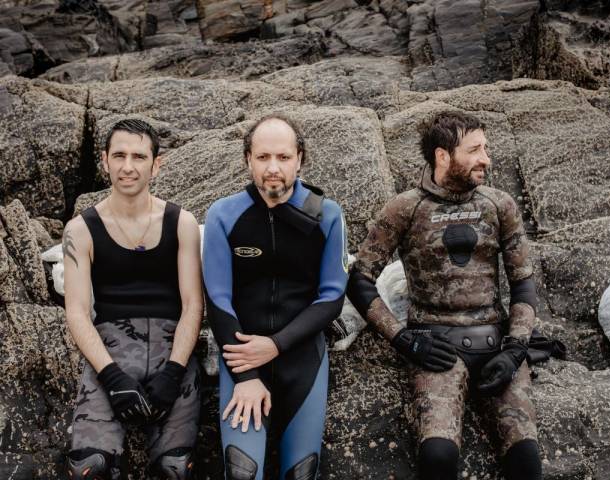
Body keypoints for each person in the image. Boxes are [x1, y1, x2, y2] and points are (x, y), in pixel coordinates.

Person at [347, 111, 542, 480]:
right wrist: (403, 340)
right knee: (437, 457)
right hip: (435, 350)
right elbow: (359, 279)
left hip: (497, 342)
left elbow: (523, 283)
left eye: (486, 147)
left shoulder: (499, 204)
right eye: (475, 150)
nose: (486, 158)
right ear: (442, 156)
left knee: (526, 459)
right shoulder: (405, 208)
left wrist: (516, 349)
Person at [202, 115, 348, 480]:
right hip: (242, 358)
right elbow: (217, 299)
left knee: (302, 473)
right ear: (247, 159)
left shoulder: (328, 216)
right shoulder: (224, 215)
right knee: (242, 471)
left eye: (283, 157)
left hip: (302, 359)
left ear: (300, 158)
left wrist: (275, 345)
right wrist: (248, 375)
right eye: (263, 157)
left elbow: (332, 298)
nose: (273, 168)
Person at [62, 119, 203, 479]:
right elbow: (77, 312)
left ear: (156, 164)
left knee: (176, 469)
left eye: (139, 156)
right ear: (105, 160)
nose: (128, 166)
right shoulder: (80, 230)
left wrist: (173, 373)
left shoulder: (181, 222)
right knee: (88, 468)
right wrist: (111, 376)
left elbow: (193, 304)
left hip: (174, 350)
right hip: (111, 348)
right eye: (119, 155)